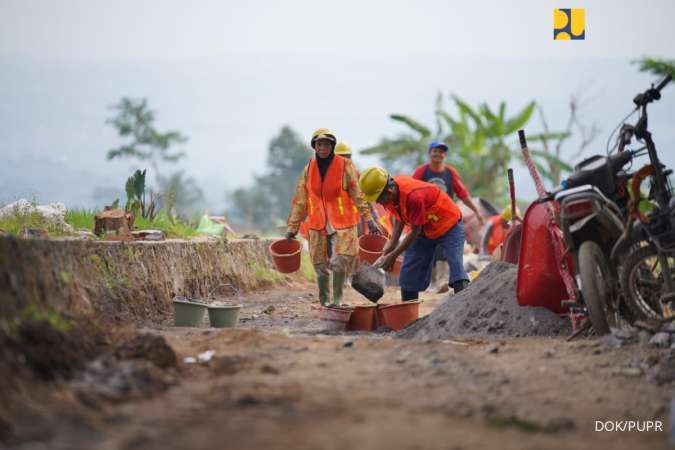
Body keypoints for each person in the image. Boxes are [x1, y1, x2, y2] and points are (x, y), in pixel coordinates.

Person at [286, 129, 381, 307]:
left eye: (327, 145)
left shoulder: (345, 166)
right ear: (314, 146)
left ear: (332, 147)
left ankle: (337, 300)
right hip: (317, 222)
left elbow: (357, 193)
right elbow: (300, 200)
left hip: (342, 222)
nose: (323, 148)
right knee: (319, 263)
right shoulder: (309, 168)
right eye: (319, 145)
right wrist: (292, 227)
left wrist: (369, 218)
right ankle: (324, 301)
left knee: (341, 259)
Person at [359, 166, 470, 301]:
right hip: (425, 228)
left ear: (389, 189)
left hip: (448, 224)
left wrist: (393, 256)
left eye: (379, 198)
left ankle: (464, 307)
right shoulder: (389, 196)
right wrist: (392, 244)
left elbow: (415, 231)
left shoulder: (413, 196)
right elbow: (399, 217)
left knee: (455, 263)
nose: (378, 202)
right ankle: (408, 314)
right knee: (410, 273)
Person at [412, 140, 485, 226]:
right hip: (425, 217)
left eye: (441, 152)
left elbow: (463, 194)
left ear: (445, 155)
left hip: (445, 216)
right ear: (429, 153)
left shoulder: (450, 172)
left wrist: (476, 211)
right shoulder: (421, 171)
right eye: (435, 151)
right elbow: (412, 193)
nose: (438, 154)